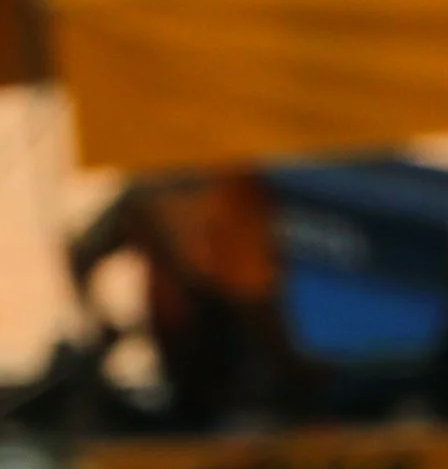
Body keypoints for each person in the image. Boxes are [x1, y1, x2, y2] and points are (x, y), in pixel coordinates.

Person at [67, 170, 308, 432]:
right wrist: (101, 322)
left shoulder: (244, 190)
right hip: (202, 353)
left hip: (246, 343)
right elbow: (83, 254)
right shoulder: (152, 197)